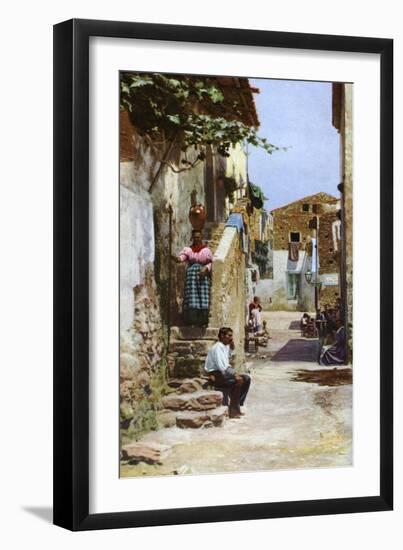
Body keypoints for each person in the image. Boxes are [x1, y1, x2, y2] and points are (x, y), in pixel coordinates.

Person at [204, 327, 251, 418]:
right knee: (238, 381)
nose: (231, 338)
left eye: (231, 336)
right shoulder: (218, 347)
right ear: (222, 336)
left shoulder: (224, 346)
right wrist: (235, 374)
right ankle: (233, 411)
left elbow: (227, 357)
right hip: (216, 375)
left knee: (247, 378)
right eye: (229, 336)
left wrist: (231, 347)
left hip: (222, 374)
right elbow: (223, 367)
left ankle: (238, 404)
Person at [174, 230, 213, 326]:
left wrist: (206, 269)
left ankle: (202, 321)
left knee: (202, 297)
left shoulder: (206, 250)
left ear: (201, 238)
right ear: (192, 238)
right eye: (195, 237)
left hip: (202, 276)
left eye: (198, 237)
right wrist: (177, 259)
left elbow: (211, 262)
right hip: (191, 277)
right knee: (192, 297)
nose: (197, 239)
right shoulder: (188, 249)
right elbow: (182, 258)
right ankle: (191, 321)